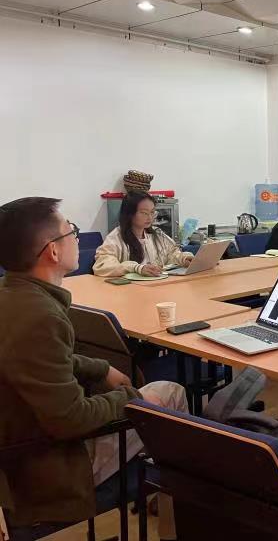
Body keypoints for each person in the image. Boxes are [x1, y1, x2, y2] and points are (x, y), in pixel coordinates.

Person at [0, 197, 187, 538]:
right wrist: (132, 399)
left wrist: (100, 369)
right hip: (46, 468)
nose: (76, 237)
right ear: (52, 251)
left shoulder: (12, 296)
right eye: (70, 230)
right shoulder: (40, 316)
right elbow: (71, 419)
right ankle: (176, 522)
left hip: (21, 446)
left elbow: (39, 360)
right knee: (169, 394)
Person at [93, 191, 193, 277]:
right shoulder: (116, 238)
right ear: (130, 214)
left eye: (152, 212)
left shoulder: (156, 234)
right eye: (144, 213)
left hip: (156, 286)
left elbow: (172, 253)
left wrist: (183, 259)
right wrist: (136, 268)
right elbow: (102, 265)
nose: (150, 217)